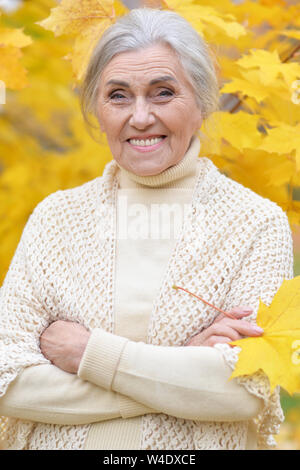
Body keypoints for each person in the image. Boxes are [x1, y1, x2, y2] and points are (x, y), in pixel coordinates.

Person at [0, 8, 293, 450]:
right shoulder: (56, 218)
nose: (139, 117)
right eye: (118, 95)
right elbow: (9, 381)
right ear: (97, 108)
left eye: (162, 93)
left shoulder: (255, 223)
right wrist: (180, 371)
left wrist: (87, 355)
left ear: (201, 101)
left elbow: (241, 392)